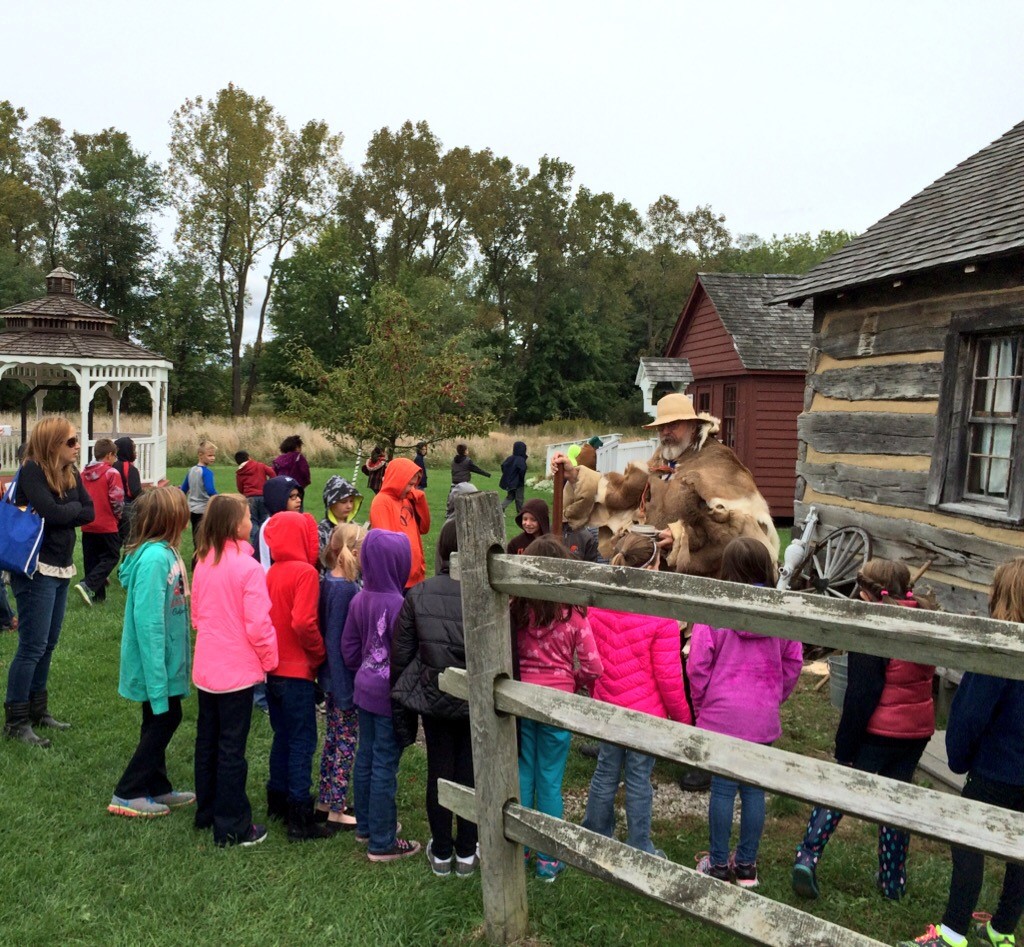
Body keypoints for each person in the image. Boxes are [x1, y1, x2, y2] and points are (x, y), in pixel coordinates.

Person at [897, 559, 1024, 947]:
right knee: (1020, 850)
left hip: (996, 770)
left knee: (967, 841)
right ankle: (1002, 930)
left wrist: (959, 758)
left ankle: (952, 932)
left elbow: (969, 715)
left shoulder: (999, 653)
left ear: (1001, 595)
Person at [793, 558, 934, 902]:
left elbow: (862, 694)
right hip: (915, 732)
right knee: (896, 802)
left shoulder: (871, 628)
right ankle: (892, 879)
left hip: (877, 731)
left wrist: (846, 745)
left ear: (866, 593)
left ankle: (808, 857)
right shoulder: (927, 620)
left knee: (843, 789)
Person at [552, 392, 778, 576]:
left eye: (674, 425)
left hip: (700, 583)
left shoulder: (717, 462)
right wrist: (575, 475)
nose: (666, 432)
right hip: (656, 572)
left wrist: (680, 534)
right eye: (662, 427)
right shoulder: (662, 459)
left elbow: (737, 525)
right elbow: (622, 495)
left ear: (692, 425)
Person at [689, 537, 803, 888]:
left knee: (723, 790)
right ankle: (747, 867)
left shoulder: (716, 610)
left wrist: (702, 703)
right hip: (761, 715)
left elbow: (697, 665)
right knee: (755, 791)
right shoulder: (779, 611)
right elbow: (794, 661)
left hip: (721, 715)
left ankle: (719, 864)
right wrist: (774, 697)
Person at [581, 530, 692, 855]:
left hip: (609, 703)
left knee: (606, 768)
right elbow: (670, 678)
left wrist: (596, 691)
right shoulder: (661, 617)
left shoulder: (599, 605)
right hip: (645, 713)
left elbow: (592, 659)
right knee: (639, 778)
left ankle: (596, 831)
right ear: (654, 567)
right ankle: (640, 844)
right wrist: (682, 719)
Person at [512, 535, 603, 881]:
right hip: (558, 703)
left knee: (523, 770)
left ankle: (519, 848)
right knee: (549, 779)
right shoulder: (574, 616)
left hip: (519, 698)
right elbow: (595, 667)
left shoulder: (516, 608)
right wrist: (575, 678)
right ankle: (549, 860)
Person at [391, 520, 479, 877]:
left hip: (435, 695)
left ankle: (443, 852)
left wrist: (403, 709)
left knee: (439, 770)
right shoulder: (487, 594)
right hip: (473, 700)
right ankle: (467, 853)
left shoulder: (419, 594)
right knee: (471, 772)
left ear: (441, 550)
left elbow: (401, 655)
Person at [191, 494, 278, 847]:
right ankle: (232, 826)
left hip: (208, 668)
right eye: (246, 516)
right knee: (231, 748)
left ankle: (207, 810)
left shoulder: (203, 560)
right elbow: (259, 625)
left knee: (207, 740)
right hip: (236, 673)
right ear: (234, 524)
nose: (251, 521)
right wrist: (270, 660)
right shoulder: (249, 569)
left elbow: (197, 615)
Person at [4, 416, 94, 747]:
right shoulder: (32, 470)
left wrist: (61, 509)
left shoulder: (72, 473)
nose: (77, 445)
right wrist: (65, 510)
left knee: (48, 644)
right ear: (52, 443)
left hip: (61, 567)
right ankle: (15, 722)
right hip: (35, 568)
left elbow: (90, 512)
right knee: (31, 646)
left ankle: (38, 711)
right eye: (71, 441)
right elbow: (56, 514)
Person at [108, 486, 195, 818]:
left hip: (165, 661)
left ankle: (156, 785)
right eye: (183, 515)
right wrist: (157, 672)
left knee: (156, 718)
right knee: (167, 717)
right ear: (171, 519)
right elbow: (148, 622)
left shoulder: (164, 552)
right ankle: (128, 791)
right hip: (154, 664)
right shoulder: (155, 559)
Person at [341, 529, 422, 862]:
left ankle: (365, 826)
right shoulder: (401, 605)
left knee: (367, 756)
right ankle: (382, 840)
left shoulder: (359, 598)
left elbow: (348, 649)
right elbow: (409, 656)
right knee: (385, 764)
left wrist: (365, 667)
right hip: (389, 697)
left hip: (364, 689)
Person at [263, 511, 332, 842]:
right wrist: (319, 653)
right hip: (297, 670)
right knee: (304, 740)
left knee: (283, 735)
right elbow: (303, 622)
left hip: (273, 669)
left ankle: (276, 797)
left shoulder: (273, 571)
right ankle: (299, 814)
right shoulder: (305, 573)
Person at [316, 522, 366, 831]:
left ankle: (325, 800)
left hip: (333, 679)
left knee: (333, 739)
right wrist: (345, 688)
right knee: (345, 742)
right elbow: (335, 642)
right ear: (356, 552)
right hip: (342, 681)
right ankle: (336, 808)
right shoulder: (345, 589)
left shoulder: (329, 582)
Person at [369, 456, 431, 590]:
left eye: (414, 485)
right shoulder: (381, 502)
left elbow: (424, 528)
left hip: (416, 577)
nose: (411, 488)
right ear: (398, 480)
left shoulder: (407, 499)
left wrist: (421, 500)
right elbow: (385, 542)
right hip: (398, 579)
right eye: (409, 484)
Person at [77, 437, 124, 605]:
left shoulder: (83, 474)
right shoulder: (112, 473)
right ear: (110, 455)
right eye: (115, 456)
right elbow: (117, 500)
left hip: (88, 523)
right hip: (106, 523)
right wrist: (118, 517)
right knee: (111, 556)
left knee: (92, 559)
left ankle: (98, 597)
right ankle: (88, 584)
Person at [258, 476, 318, 572]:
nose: (298, 500)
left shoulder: (299, 523)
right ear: (277, 499)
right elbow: (265, 563)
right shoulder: (269, 527)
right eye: (292, 496)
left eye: (299, 495)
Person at [181, 439, 217, 552]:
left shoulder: (191, 470)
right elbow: (210, 490)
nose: (213, 458)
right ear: (200, 455)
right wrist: (221, 498)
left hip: (192, 509)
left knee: (196, 538)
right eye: (210, 455)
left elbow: (183, 489)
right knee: (207, 539)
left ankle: (195, 563)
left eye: (214, 455)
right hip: (204, 509)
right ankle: (204, 562)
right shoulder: (207, 473)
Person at [234, 450, 275, 547]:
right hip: (263, 495)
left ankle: (256, 543)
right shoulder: (260, 465)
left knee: (253, 521)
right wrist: (268, 486)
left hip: (249, 498)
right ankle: (265, 542)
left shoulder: (240, 472)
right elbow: (272, 473)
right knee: (264, 520)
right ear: (249, 457)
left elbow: (240, 488)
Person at [317, 475, 364, 555]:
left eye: (351, 501)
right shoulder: (321, 531)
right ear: (331, 504)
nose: (349, 506)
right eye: (343, 502)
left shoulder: (355, 528)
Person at [113, 436, 142, 549]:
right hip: (129, 509)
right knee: (131, 544)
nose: (135, 453)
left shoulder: (113, 466)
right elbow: (135, 491)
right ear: (127, 451)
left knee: (116, 541)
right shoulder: (131, 469)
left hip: (114, 509)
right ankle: (127, 566)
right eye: (133, 450)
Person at [499, 441, 528, 514]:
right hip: (518, 483)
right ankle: (520, 513)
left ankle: (501, 507)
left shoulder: (510, 458)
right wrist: (521, 480)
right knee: (519, 498)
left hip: (510, 482)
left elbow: (503, 466)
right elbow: (522, 470)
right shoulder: (521, 460)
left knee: (510, 496)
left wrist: (508, 475)